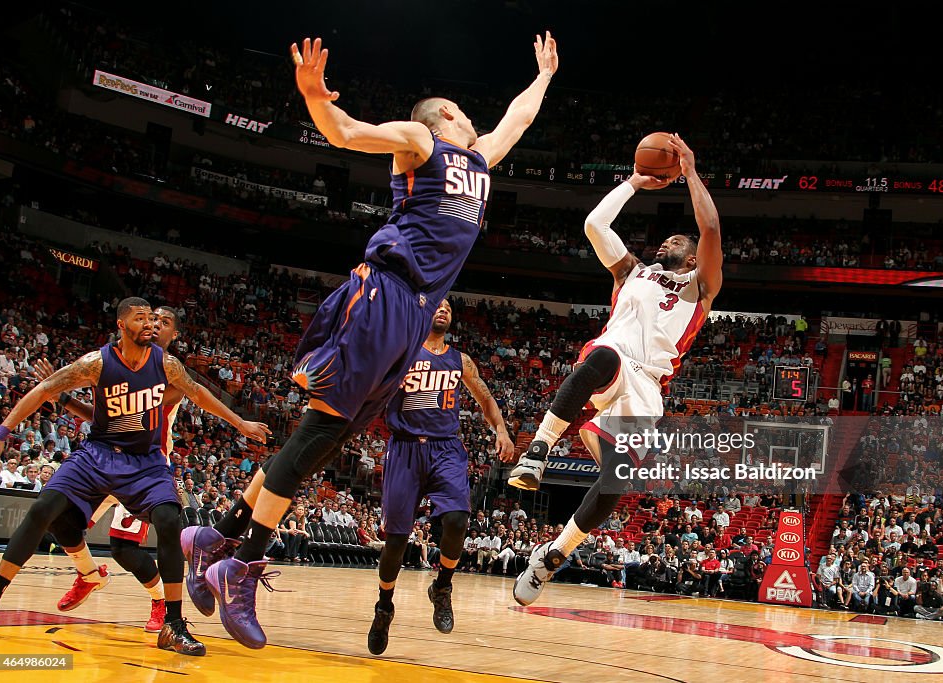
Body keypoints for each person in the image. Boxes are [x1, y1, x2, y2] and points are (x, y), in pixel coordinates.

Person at [186, 31, 558, 650]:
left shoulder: (480, 161)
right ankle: (239, 566)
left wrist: (543, 77)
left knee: (329, 440)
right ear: (443, 117)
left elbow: (516, 119)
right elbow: (349, 133)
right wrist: (312, 96)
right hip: (385, 294)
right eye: (462, 111)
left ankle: (217, 537)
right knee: (320, 430)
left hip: (415, 315)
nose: (472, 117)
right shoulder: (420, 140)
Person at [510, 135, 723, 606]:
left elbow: (709, 228)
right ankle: (539, 450)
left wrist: (689, 170)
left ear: (691, 258)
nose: (668, 240)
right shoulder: (632, 270)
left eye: (678, 241)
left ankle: (552, 555)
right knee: (604, 354)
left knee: (616, 481)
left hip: (647, 386)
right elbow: (594, 223)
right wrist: (632, 182)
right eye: (667, 237)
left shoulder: (701, 286)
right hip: (613, 358)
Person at [0, 298, 268, 655]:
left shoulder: (168, 366)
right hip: (98, 454)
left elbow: (201, 395)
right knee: (46, 510)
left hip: (147, 462)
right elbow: (43, 390)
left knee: (168, 519)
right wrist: (1, 432)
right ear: (122, 325)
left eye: (154, 319)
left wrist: (241, 423)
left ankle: (173, 624)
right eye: (142, 319)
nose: (150, 324)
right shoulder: (96, 362)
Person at [367, 299, 514, 654]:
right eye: (437, 304)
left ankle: (442, 587)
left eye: (449, 306)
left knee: (458, 518)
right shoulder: (401, 353)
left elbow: (485, 397)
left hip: (445, 448)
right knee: (397, 542)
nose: (443, 309)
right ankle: (384, 606)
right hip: (404, 449)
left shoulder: (460, 361)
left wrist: (502, 430)